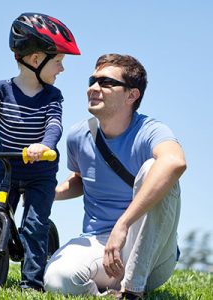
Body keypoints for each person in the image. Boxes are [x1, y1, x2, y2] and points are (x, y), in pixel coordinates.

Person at [44, 54, 186, 299]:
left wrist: (123, 224)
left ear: (132, 95)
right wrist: (47, 194)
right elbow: (81, 179)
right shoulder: (79, 134)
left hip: (152, 252)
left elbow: (175, 162)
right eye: (92, 80)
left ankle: (133, 290)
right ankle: (111, 295)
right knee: (57, 279)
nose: (93, 88)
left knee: (156, 167)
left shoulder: (150, 130)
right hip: (100, 245)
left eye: (106, 82)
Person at [0, 12, 80, 291]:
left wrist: (45, 146)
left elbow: (54, 124)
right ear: (36, 59)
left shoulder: (53, 96)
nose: (61, 69)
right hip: (8, 169)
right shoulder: (3, 90)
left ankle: (31, 283)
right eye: (59, 62)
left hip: (40, 171)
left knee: (34, 226)